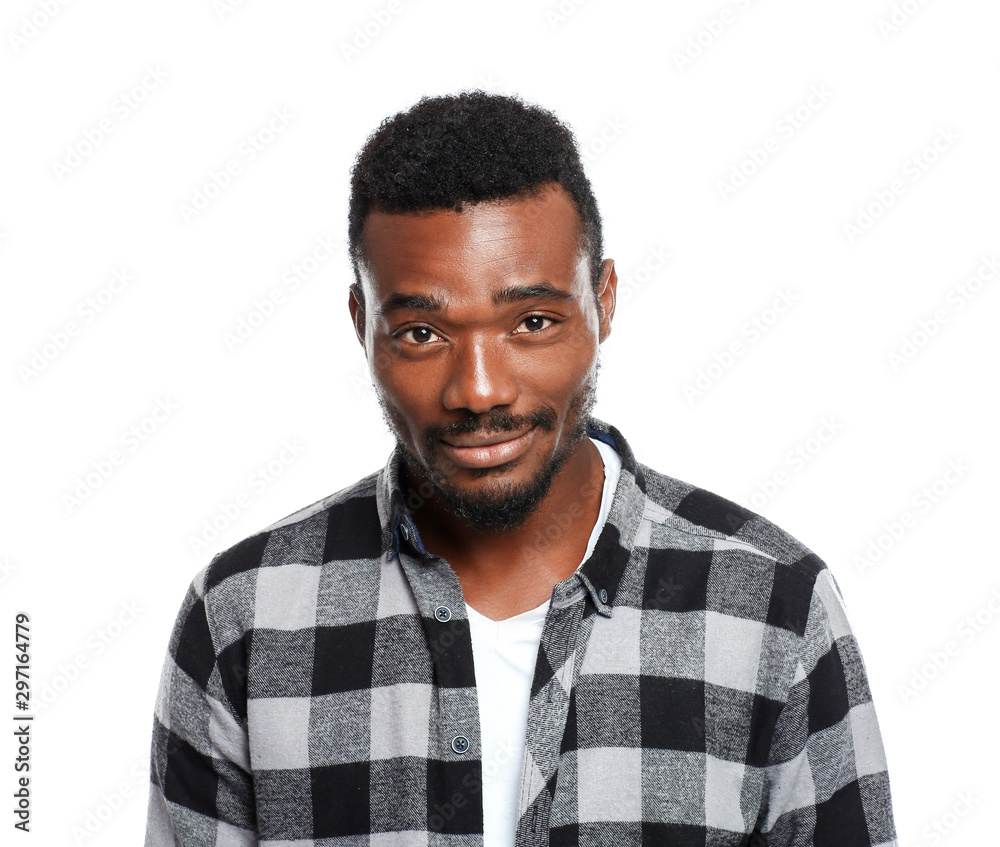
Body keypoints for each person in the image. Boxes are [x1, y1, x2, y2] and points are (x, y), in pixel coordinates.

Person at [145, 91, 897, 847]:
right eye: (421, 331)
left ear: (602, 301)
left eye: (532, 322)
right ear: (360, 326)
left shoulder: (774, 607)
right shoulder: (245, 617)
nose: (479, 389)